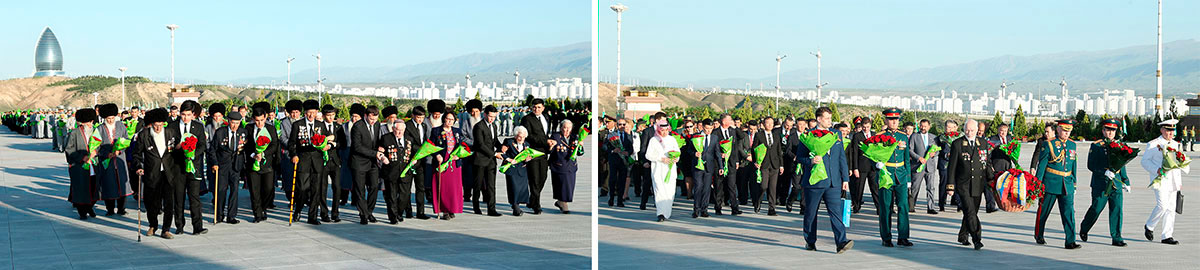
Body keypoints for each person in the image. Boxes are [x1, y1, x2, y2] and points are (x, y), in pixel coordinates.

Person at [796, 107, 853, 253]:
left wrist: (845, 178)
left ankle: (841, 242)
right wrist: (811, 160)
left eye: (830, 118)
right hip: (814, 181)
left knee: (835, 213)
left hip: (833, 181)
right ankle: (810, 240)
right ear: (819, 119)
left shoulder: (837, 134)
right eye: (827, 118)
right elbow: (800, 157)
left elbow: (841, 158)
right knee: (811, 212)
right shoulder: (808, 135)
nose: (830, 121)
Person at [1080, 118, 1131, 247]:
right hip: (1100, 183)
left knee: (1117, 210)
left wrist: (1125, 180)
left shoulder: (1119, 145)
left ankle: (1116, 237)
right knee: (1096, 208)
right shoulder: (1097, 146)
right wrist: (1104, 172)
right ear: (1103, 130)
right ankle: (1085, 227)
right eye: (1108, 130)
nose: (1110, 132)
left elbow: (1122, 164)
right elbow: (1091, 165)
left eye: (1113, 130)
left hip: (1116, 183)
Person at [1033, 119, 1081, 249]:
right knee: (1044, 212)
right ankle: (1039, 234)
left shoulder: (1072, 145)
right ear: (1058, 129)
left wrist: (1074, 182)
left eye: (1069, 131)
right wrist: (1037, 184)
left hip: (1067, 184)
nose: (1066, 134)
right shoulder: (1049, 144)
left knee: (1069, 213)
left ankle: (1070, 241)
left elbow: (1073, 165)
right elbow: (1041, 166)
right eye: (1064, 130)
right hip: (1051, 184)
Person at [947, 119, 993, 250]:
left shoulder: (983, 143)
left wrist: (992, 180)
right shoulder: (957, 144)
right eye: (967, 130)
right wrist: (950, 186)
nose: (969, 132)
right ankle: (977, 238)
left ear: (977, 130)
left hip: (978, 183)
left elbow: (987, 163)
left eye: (972, 130)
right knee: (970, 211)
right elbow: (952, 167)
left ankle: (963, 235)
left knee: (972, 212)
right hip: (963, 184)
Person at [131, 108, 177, 238]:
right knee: (152, 202)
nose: (158, 128)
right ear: (151, 124)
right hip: (152, 173)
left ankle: (166, 229)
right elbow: (136, 154)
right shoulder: (144, 135)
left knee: (169, 203)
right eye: (155, 125)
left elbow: (175, 151)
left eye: (160, 125)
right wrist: (139, 166)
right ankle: (153, 225)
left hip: (168, 173)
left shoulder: (170, 133)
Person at [1142, 119, 1188, 245]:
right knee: (1162, 205)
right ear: (1162, 130)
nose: (1171, 133)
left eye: (1172, 130)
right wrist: (1156, 170)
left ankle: (1167, 235)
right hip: (1160, 180)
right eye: (1168, 130)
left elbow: (1178, 161)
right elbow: (1144, 161)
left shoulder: (1176, 144)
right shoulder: (1154, 144)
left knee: (1171, 208)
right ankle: (1149, 226)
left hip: (1173, 181)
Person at [170, 100, 208, 235]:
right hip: (178, 168)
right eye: (183, 114)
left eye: (188, 115)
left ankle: (197, 226)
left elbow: (203, 145)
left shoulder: (198, 126)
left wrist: (193, 155)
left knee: (194, 198)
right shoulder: (172, 126)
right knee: (178, 198)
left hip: (193, 166)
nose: (185, 118)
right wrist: (177, 148)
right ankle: (179, 226)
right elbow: (168, 147)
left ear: (193, 114)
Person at [876, 108, 913, 247]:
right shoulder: (879, 136)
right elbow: (872, 155)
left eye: (896, 119)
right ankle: (886, 237)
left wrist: (908, 179)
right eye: (891, 119)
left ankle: (903, 237)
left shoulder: (903, 136)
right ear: (886, 120)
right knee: (886, 207)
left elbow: (906, 159)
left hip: (901, 175)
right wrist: (877, 164)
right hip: (886, 174)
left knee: (903, 206)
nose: (894, 122)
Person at [207, 110, 245, 224]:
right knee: (221, 190)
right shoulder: (220, 132)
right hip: (222, 166)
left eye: (237, 123)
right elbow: (212, 150)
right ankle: (219, 215)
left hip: (236, 166)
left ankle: (231, 216)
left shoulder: (243, 132)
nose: (235, 126)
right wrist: (214, 163)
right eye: (233, 123)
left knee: (234, 191)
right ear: (228, 121)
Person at [96, 104, 133, 216]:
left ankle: (121, 208)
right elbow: (96, 147)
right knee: (109, 184)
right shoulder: (99, 129)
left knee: (121, 183)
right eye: (108, 119)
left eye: (112, 118)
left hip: (120, 159)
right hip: (107, 161)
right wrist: (106, 154)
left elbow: (126, 140)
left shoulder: (121, 125)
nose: (111, 120)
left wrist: (120, 150)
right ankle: (110, 209)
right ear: (104, 118)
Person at [244, 105, 279, 223]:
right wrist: (254, 155)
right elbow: (246, 145)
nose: (259, 123)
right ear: (253, 119)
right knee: (254, 191)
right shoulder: (248, 128)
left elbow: (274, 145)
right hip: (252, 164)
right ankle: (257, 214)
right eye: (257, 121)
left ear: (265, 118)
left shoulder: (270, 129)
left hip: (267, 164)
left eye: (262, 120)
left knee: (268, 189)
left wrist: (263, 154)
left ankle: (263, 208)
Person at [519, 99, 554, 214]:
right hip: (533, 152)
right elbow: (529, 136)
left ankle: (532, 200)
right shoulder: (526, 119)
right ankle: (536, 205)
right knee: (534, 179)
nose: (536, 109)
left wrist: (550, 142)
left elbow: (546, 133)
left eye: (539, 107)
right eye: (534, 107)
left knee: (543, 178)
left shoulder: (546, 118)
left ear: (543, 108)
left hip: (544, 153)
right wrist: (546, 141)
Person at [66, 108, 100, 220]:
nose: (90, 124)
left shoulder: (96, 132)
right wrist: (82, 158)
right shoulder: (74, 133)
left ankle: (90, 206)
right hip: (80, 166)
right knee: (81, 189)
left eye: (92, 122)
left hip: (93, 165)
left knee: (94, 187)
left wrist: (97, 152)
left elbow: (100, 145)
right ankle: (82, 211)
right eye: (88, 122)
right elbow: (69, 150)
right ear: (82, 122)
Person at [350, 106, 382, 225]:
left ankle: (369, 211)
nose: (373, 121)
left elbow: (378, 140)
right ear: (365, 116)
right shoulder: (358, 126)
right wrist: (375, 153)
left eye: (375, 119)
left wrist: (381, 147)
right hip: (359, 162)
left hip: (372, 162)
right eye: (371, 119)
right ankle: (363, 214)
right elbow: (357, 147)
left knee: (374, 186)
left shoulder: (378, 125)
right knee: (360, 189)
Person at [432, 112, 466, 220]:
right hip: (442, 161)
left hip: (454, 163)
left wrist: (459, 156)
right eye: (448, 119)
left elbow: (461, 146)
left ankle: (452, 208)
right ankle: (444, 210)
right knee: (443, 187)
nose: (449, 121)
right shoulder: (436, 131)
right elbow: (431, 146)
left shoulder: (457, 131)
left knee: (454, 188)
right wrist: (437, 155)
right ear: (444, 119)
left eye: (452, 119)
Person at [646, 120, 681, 222]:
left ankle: (667, 212)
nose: (665, 132)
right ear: (658, 129)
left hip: (670, 169)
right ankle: (660, 213)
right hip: (658, 169)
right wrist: (661, 158)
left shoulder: (672, 139)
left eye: (666, 130)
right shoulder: (653, 140)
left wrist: (675, 158)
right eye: (662, 130)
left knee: (670, 191)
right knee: (659, 190)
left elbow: (678, 152)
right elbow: (648, 155)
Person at [473, 105, 504, 216]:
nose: (492, 119)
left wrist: (502, 147)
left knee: (491, 185)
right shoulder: (479, 126)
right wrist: (495, 154)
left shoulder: (494, 126)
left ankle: (492, 209)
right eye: (490, 116)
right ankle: (476, 206)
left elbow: (494, 141)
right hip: (480, 160)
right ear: (485, 114)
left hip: (491, 161)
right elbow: (480, 144)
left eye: (494, 117)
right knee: (478, 185)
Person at [378, 119, 411, 224]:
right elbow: (379, 151)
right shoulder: (386, 138)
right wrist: (383, 157)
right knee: (391, 196)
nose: (400, 132)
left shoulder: (409, 139)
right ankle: (392, 216)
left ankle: (399, 213)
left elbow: (415, 151)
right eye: (397, 130)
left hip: (405, 172)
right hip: (391, 172)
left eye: (402, 130)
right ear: (393, 129)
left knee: (404, 196)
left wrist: (415, 160)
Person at [403, 106, 432, 220]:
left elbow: (425, 140)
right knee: (408, 187)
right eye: (418, 117)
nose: (420, 119)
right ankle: (408, 211)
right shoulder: (407, 126)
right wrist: (421, 150)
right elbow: (408, 142)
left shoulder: (424, 126)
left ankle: (421, 212)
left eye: (422, 117)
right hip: (410, 160)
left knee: (421, 187)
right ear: (413, 116)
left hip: (421, 161)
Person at [753, 117, 784, 215]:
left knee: (772, 188)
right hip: (763, 164)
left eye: (771, 123)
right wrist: (755, 161)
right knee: (763, 186)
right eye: (767, 123)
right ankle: (758, 201)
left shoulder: (776, 135)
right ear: (763, 124)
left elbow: (779, 151)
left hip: (774, 164)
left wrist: (781, 165)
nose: (770, 125)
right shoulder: (759, 135)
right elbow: (754, 149)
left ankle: (771, 208)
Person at [318, 104, 344, 223]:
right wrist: (326, 140)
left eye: (332, 115)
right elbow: (316, 142)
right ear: (323, 116)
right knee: (322, 188)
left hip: (335, 161)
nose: (330, 117)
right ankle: (324, 213)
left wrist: (333, 144)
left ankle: (335, 213)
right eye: (328, 115)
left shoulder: (339, 127)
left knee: (337, 187)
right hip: (323, 161)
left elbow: (343, 143)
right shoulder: (318, 127)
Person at [908, 119, 939, 214]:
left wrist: (935, 153)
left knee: (931, 187)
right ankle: (911, 205)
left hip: (930, 167)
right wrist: (918, 158)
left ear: (929, 126)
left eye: (925, 126)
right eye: (921, 126)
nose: (923, 128)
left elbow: (938, 150)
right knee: (915, 187)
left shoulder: (933, 138)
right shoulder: (914, 136)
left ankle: (931, 207)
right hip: (918, 166)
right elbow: (910, 150)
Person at [550, 119, 582, 214]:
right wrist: (551, 146)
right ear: (561, 128)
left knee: (570, 186)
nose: (567, 130)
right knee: (562, 185)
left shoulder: (574, 137)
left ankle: (561, 202)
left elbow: (580, 153)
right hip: (559, 165)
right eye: (565, 127)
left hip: (571, 166)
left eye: (569, 128)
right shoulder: (556, 136)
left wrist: (580, 146)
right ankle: (563, 203)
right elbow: (550, 150)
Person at [847, 117, 876, 214]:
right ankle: (857, 206)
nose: (866, 129)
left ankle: (879, 208)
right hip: (861, 166)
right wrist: (855, 168)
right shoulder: (857, 136)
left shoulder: (874, 135)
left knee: (875, 188)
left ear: (870, 126)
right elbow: (854, 153)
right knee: (859, 188)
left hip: (873, 167)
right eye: (864, 127)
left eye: (867, 127)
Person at [458, 99, 483, 213]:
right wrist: (474, 144)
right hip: (469, 152)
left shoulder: (483, 121)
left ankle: (485, 195)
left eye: (477, 111)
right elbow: (462, 137)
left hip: (482, 153)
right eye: (472, 112)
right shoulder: (466, 122)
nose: (475, 114)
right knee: (468, 174)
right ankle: (467, 194)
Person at [983, 123, 1014, 213]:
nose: (1003, 133)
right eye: (1001, 131)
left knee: (1005, 185)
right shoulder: (992, 140)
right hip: (995, 165)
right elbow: (988, 154)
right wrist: (990, 165)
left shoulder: (1010, 139)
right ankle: (990, 206)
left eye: (1005, 131)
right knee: (992, 185)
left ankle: (1005, 204)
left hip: (1007, 165)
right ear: (998, 131)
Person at [714, 114, 741, 215]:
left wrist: (737, 161)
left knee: (732, 186)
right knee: (719, 186)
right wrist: (720, 154)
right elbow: (713, 148)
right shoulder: (715, 133)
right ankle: (718, 207)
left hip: (731, 163)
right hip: (719, 164)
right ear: (724, 121)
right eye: (729, 120)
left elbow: (735, 147)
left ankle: (734, 207)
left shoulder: (732, 131)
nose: (731, 122)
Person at [504, 127, 533, 216]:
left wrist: (528, 159)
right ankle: (515, 206)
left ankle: (517, 205)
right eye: (519, 136)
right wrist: (508, 159)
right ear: (516, 136)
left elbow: (529, 155)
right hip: (512, 169)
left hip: (522, 169)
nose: (521, 139)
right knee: (514, 188)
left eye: (523, 137)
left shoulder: (527, 145)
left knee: (522, 189)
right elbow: (502, 153)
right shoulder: (509, 142)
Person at [692, 119, 718, 218]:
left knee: (707, 189)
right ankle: (696, 209)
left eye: (711, 129)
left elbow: (717, 153)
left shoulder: (715, 138)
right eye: (707, 128)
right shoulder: (696, 136)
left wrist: (720, 166)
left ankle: (704, 209)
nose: (708, 131)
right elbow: (689, 150)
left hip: (709, 167)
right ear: (702, 127)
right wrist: (694, 153)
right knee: (698, 187)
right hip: (698, 166)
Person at [937, 120, 960, 212]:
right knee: (944, 184)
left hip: (957, 164)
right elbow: (937, 150)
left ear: (955, 128)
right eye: (947, 127)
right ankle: (942, 204)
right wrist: (946, 154)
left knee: (958, 184)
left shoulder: (960, 138)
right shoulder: (941, 138)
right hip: (945, 164)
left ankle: (959, 204)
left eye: (951, 127)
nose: (949, 129)